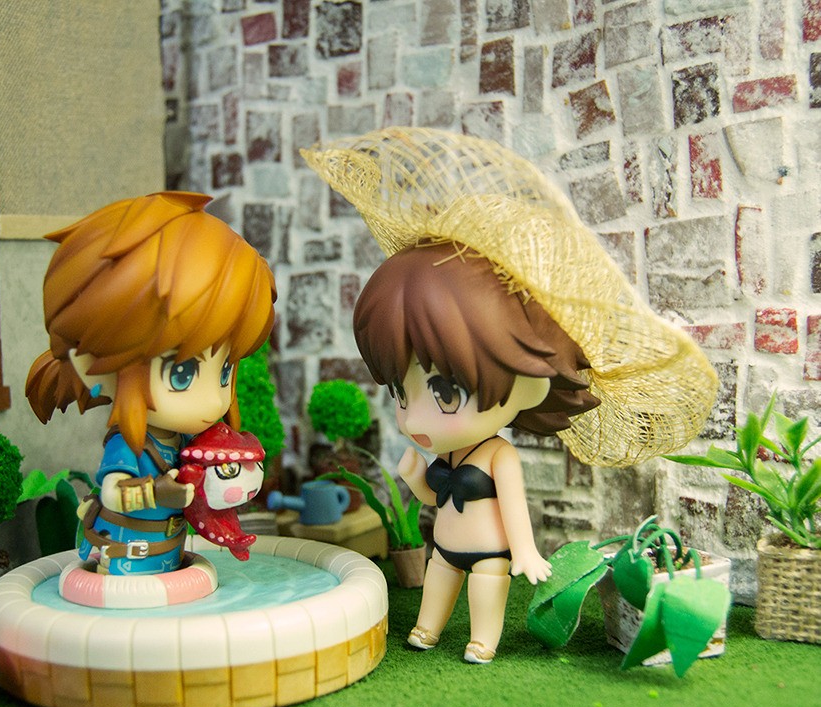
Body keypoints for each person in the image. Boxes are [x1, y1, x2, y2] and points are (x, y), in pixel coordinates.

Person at [303, 128, 717, 662]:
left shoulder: (498, 455)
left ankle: (483, 638)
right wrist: (414, 479)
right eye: (401, 393)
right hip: (445, 547)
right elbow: (434, 499)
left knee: (485, 590)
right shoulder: (450, 453)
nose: (414, 418)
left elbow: (514, 510)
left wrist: (525, 551)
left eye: (444, 393)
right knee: (438, 579)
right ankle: (427, 627)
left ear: (529, 382)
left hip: (490, 553)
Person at [26, 192, 276, 576]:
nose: (213, 400)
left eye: (225, 370)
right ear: (94, 365)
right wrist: (157, 492)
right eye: (182, 374)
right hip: (125, 556)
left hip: (171, 556)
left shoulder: (185, 438)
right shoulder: (131, 444)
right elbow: (112, 491)